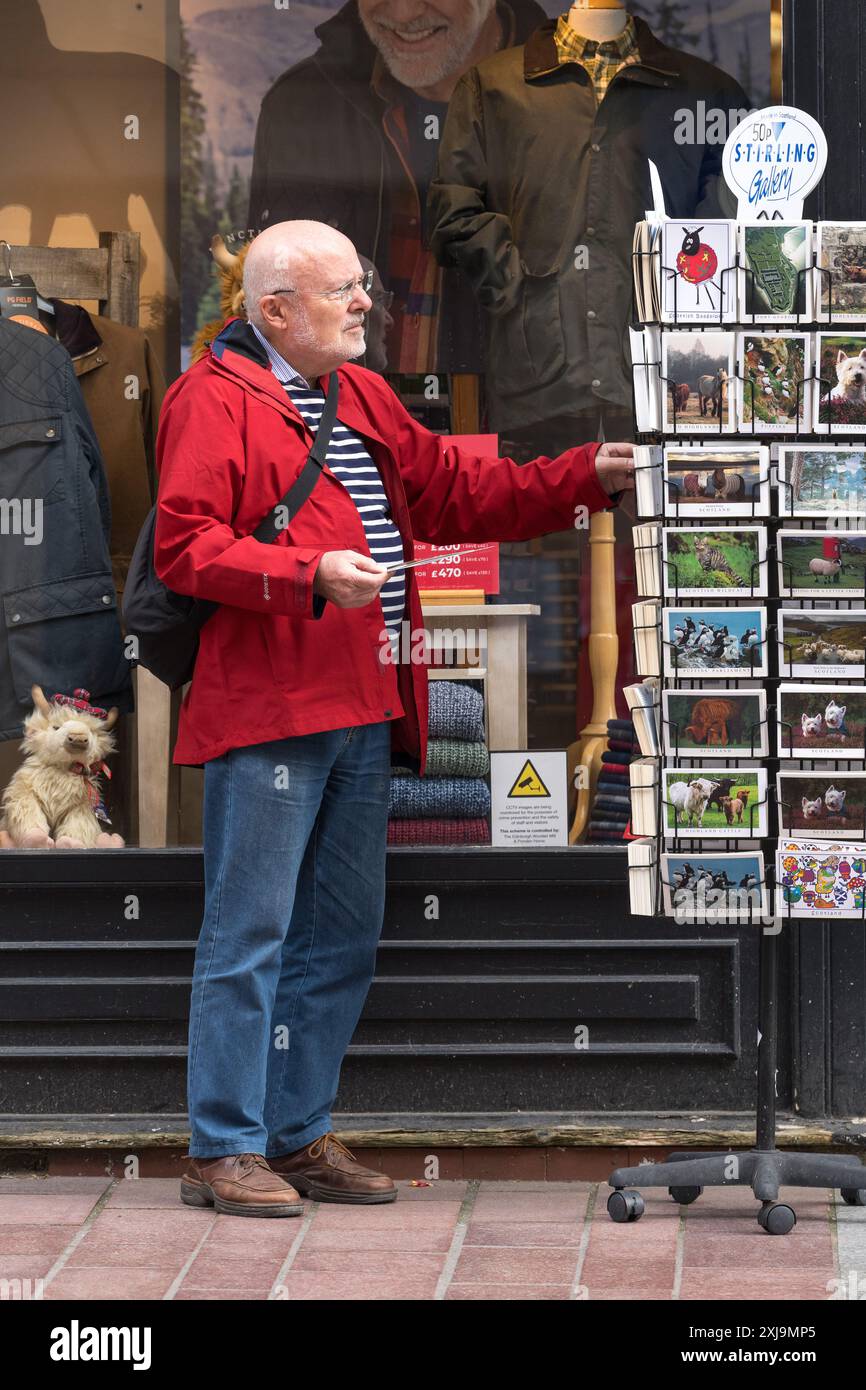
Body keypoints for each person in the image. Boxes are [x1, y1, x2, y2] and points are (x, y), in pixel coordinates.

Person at [153, 220, 634, 1217]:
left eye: (363, 284)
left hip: (367, 703)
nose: (366, 302)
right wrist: (306, 572)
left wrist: (584, 476)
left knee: (341, 936)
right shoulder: (210, 399)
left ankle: (294, 1134)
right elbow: (186, 550)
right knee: (250, 934)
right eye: (342, 290)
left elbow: (460, 490)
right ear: (276, 310)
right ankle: (222, 1145)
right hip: (271, 709)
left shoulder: (362, 394)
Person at [247, 0, 547, 375]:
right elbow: (274, 318)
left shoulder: (576, 102)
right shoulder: (300, 104)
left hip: (522, 421)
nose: (404, 12)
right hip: (344, 421)